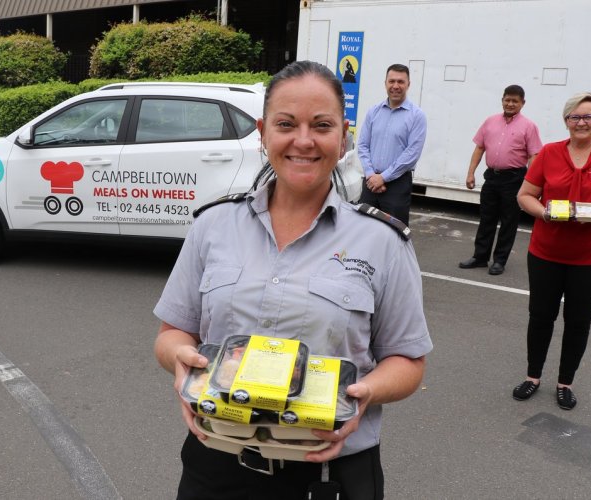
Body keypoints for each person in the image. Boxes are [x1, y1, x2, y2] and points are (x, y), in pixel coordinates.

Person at [153, 60, 432, 499]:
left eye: (322, 126)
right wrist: (181, 362)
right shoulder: (213, 225)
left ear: (344, 138)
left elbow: (408, 362)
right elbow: (173, 333)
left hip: (328, 474)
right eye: (286, 124)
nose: (303, 140)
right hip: (216, 460)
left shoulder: (383, 241)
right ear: (264, 133)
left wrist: (362, 394)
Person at [512, 92, 591, 410]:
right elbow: (525, 194)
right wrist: (543, 212)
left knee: (578, 321)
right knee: (540, 317)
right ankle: (532, 376)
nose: (581, 123)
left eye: (588, 117)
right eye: (575, 117)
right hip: (545, 253)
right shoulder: (550, 153)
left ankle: (565, 382)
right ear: (566, 121)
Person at [459, 85, 543, 275]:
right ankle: (480, 257)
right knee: (486, 219)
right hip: (492, 177)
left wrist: (531, 184)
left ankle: (499, 260)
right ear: (502, 100)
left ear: (523, 103)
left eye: (515, 101)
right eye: (507, 99)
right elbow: (479, 148)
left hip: (514, 180)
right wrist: (471, 173)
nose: (510, 104)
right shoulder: (490, 121)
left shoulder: (529, 126)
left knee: (508, 221)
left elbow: (533, 156)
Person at [357, 63, 427, 226]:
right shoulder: (373, 112)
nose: (396, 86)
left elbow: (412, 154)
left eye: (401, 82)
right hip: (370, 181)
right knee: (363, 231)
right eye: (392, 81)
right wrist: (371, 175)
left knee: (395, 234)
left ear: (408, 84)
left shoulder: (417, 116)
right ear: (385, 83)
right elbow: (362, 145)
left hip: (397, 185)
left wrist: (383, 177)